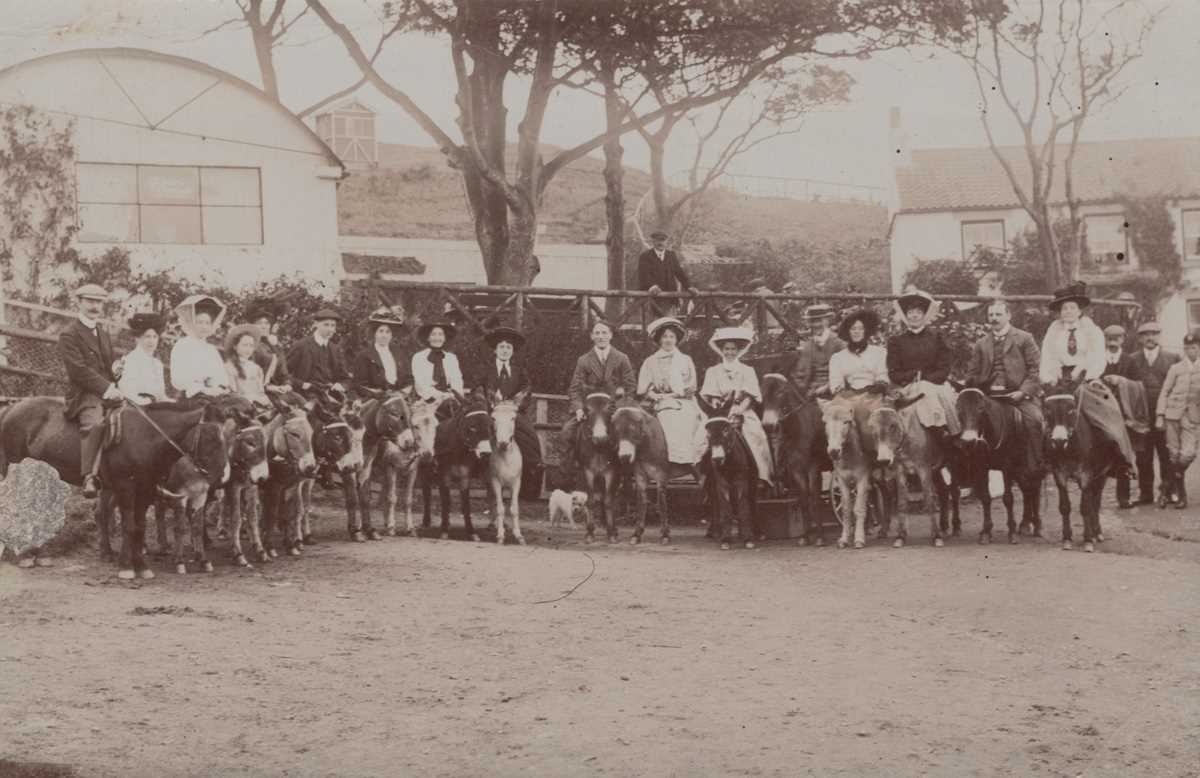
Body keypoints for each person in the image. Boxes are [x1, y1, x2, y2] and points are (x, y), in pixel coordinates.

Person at [1038, 281, 1136, 477]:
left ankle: (1120, 458)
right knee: (1041, 417)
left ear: (1079, 309)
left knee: (1110, 413)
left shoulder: (1091, 329)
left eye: (1072, 307)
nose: (1067, 311)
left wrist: (1085, 373)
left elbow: (1097, 355)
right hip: (1059, 381)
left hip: (1085, 379)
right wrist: (1050, 375)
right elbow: (1047, 355)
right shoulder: (1054, 330)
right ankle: (1043, 461)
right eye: (1064, 308)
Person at [963, 299, 1044, 472]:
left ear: (1008, 315)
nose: (994, 318)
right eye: (991, 314)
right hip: (988, 395)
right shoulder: (981, 343)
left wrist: (1023, 392)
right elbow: (972, 372)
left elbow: (1035, 370)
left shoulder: (1024, 338)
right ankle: (971, 471)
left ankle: (1037, 463)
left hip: (1017, 394)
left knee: (1035, 419)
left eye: (998, 314)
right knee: (966, 419)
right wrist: (973, 389)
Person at [58, 283, 119, 498]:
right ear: (79, 302)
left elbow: (107, 365)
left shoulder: (103, 333)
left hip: (107, 391)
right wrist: (106, 387)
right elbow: (78, 371)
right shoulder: (69, 334)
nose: (95, 306)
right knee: (93, 423)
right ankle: (89, 477)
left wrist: (117, 372)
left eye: (99, 302)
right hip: (84, 393)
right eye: (90, 301)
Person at [559, 319, 637, 485]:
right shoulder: (584, 360)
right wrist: (579, 409)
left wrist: (620, 407)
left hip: (614, 408)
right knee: (567, 432)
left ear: (610, 335)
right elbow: (574, 388)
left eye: (604, 333)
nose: (601, 336)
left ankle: (628, 479)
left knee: (629, 434)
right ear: (591, 336)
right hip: (591, 409)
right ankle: (567, 476)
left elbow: (630, 387)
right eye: (597, 333)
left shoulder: (622, 358)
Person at [696, 326, 773, 487]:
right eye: (726, 349)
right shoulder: (713, 371)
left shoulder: (747, 370)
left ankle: (761, 475)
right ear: (721, 350)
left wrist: (739, 409)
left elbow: (751, 397)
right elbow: (709, 396)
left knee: (756, 436)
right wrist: (718, 406)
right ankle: (703, 475)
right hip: (718, 412)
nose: (729, 352)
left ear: (738, 351)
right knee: (701, 437)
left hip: (742, 409)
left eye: (733, 349)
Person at [886, 289, 960, 447]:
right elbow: (893, 372)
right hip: (907, 386)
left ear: (924, 315)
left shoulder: (937, 338)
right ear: (905, 315)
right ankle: (937, 429)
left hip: (936, 384)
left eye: (918, 312)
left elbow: (944, 368)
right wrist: (912, 376)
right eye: (910, 312)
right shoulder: (896, 341)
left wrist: (927, 379)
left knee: (948, 399)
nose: (913, 316)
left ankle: (954, 436)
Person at [478, 324, 544, 498]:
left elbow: (527, 389)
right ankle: (478, 471)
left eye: (508, 347)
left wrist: (516, 405)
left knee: (529, 436)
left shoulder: (518, 371)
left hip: (513, 411)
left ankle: (532, 472)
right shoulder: (486, 370)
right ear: (495, 350)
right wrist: (489, 402)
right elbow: (477, 389)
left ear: (512, 351)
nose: (505, 350)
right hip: (491, 412)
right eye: (501, 347)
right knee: (479, 433)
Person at [1122, 321, 1180, 506]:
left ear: (1159, 336)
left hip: (1164, 415)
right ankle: (1145, 493)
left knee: (1166, 454)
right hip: (1141, 418)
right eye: (1146, 334)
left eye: (1154, 334)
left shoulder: (1172, 358)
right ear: (1140, 338)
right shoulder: (1132, 359)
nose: (1150, 337)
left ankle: (1168, 491)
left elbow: (1178, 387)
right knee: (1143, 457)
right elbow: (1127, 387)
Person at [637, 317, 704, 467]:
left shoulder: (685, 359)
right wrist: (653, 394)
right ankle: (654, 461)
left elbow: (691, 387)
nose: (668, 340)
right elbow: (644, 387)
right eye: (665, 336)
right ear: (659, 339)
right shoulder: (651, 361)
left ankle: (684, 459)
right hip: (657, 401)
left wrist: (671, 395)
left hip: (683, 400)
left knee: (682, 417)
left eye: (672, 337)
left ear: (676, 340)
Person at [1156, 331, 1200, 509]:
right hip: (1172, 415)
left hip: (1192, 417)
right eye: (1187, 348)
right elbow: (1164, 392)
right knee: (1173, 456)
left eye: (1194, 348)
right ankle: (1181, 496)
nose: (1190, 351)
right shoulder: (1176, 368)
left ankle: (1165, 487)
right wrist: (1160, 416)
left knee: (1188, 454)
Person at [170, 295, 230, 400]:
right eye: (200, 322)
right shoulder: (182, 345)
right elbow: (177, 378)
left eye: (207, 323)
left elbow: (222, 376)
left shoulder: (211, 349)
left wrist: (216, 386)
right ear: (192, 323)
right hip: (191, 396)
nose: (204, 327)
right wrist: (200, 386)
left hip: (214, 394)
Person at [287, 308, 351, 394]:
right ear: (316, 324)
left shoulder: (335, 349)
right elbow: (283, 374)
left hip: (330, 395)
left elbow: (345, 378)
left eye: (333, 325)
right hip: (305, 395)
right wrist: (302, 384)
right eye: (326, 325)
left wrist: (341, 385)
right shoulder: (301, 346)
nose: (330, 329)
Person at [411, 314, 464, 419]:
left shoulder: (451, 358)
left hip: (450, 399)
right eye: (433, 334)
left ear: (445, 338)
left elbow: (457, 380)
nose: (437, 338)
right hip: (428, 400)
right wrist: (439, 396)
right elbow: (420, 384)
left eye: (440, 334)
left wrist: (454, 395)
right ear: (428, 338)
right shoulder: (419, 357)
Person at [789, 304, 845, 399]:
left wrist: (827, 386)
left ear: (827, 321)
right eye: (812, 321)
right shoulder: (808, 346)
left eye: (819, 320)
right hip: (812, 395)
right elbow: (800, 374)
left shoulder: (839, 344)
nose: (816, 325)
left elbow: (846, 372)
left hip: (836, 392)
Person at [637, 230, 698, 315]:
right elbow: (643, 275)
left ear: (666, 242)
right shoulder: (645, 256)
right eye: (658, 240)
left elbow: (680, 273)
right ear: (653, 241)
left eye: (663, 240)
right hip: (651, 298)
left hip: (670, 298)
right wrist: (652, 286)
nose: (660, 243)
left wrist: (689, 286)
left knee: (669, 324)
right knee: (653, 325)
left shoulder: (671, 255)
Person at [115, 312, 168, 405]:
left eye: (155, 337)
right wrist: (147, 402)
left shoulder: (158, 364)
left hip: (154, 409)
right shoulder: (129, 360)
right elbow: (127, 392)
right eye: (147, 336)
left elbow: (161, 396)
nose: (151, 341)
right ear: (138, 338)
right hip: (135, 408)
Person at [353, 307, 410, 393]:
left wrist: (403, 392)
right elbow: (361, 385)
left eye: (388, 332)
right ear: (374, 333)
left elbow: (408, 378)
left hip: (400, 396)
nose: (384, 335)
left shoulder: (399, 353)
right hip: (375, 399)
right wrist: (380, 394)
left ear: (391, 335)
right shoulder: (365, 355)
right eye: (381, 331)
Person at [243, 296, 292, 391]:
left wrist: (287, 385)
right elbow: (249, 375)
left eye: (267, 323)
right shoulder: (249, 345)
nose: (264, 326)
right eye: (259, 323)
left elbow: (284, 374)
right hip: (258, 390)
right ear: (253, 325)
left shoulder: (276, 347)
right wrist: (269, 388)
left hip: (277, 389)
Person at [224, 324, 272, 408]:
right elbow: (233, 394)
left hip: (259, 405)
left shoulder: (256, 368)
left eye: (251, 346)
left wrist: (265, 400)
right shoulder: (229, 367)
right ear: (235, 346)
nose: (248, 349)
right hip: (240, 406)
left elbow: (261, 392)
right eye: (245, 345)